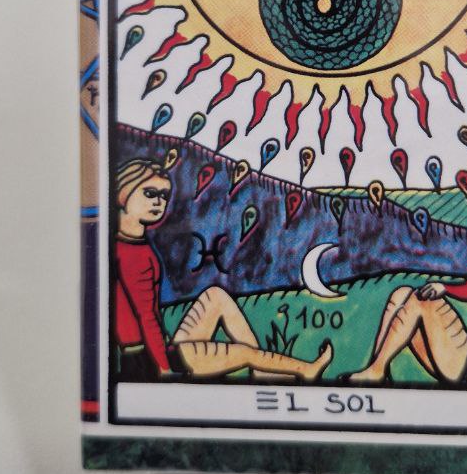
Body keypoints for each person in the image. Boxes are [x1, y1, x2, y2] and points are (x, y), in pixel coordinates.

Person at [114, 158, 332, 382]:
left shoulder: (132, 244)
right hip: (146, 360)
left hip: (157, 351)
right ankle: (303, 369)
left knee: (215, 297)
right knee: (245, 353)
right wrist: (164, 369)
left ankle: (261, 369)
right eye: (150, 193)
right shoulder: (131, 254)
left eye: (164, 195)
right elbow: (146, 316)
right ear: (123, 193)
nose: (159, 202)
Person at [347, 171, 467, 389]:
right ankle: (377, 369)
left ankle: (377, 371)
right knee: (402, 294)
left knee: (420, 302)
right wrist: (444, 287)